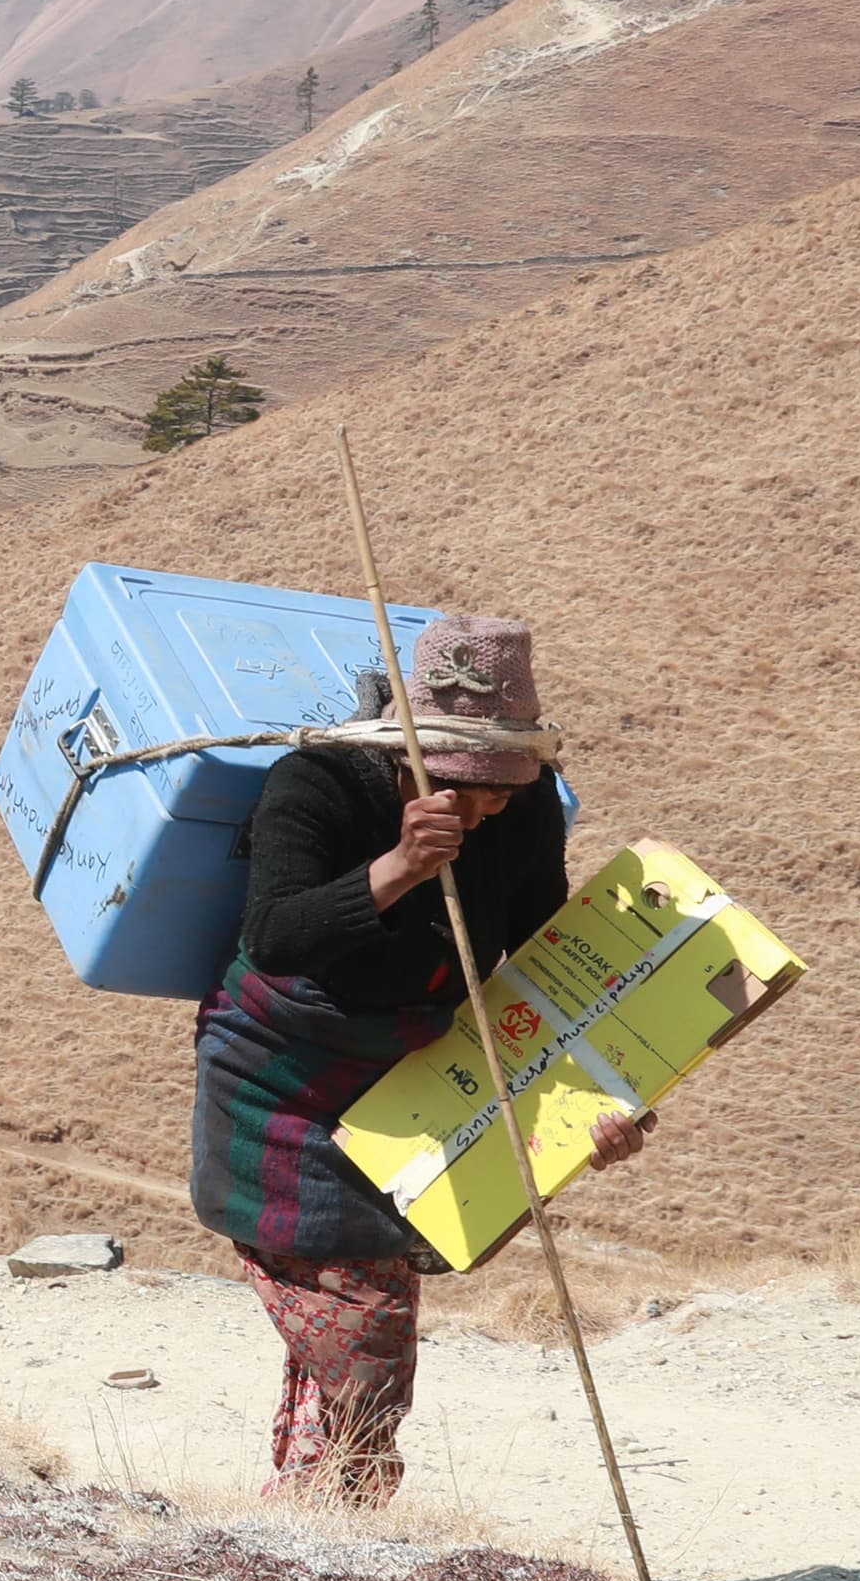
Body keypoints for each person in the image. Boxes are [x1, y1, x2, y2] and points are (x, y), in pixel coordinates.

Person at [189, 615, 647, 1503]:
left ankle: (307, 1521)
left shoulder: (526, 810)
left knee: (366, 1290)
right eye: (457, 786)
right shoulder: (315, 785)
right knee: (364, 1323)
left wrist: (604, 1094)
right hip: (282, 1074)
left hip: (419, 1069)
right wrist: (399, 866)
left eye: (497, 795)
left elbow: (542, 966)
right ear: (404, 752)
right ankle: (338, 1518)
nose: (478, 812)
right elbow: (275, 935)